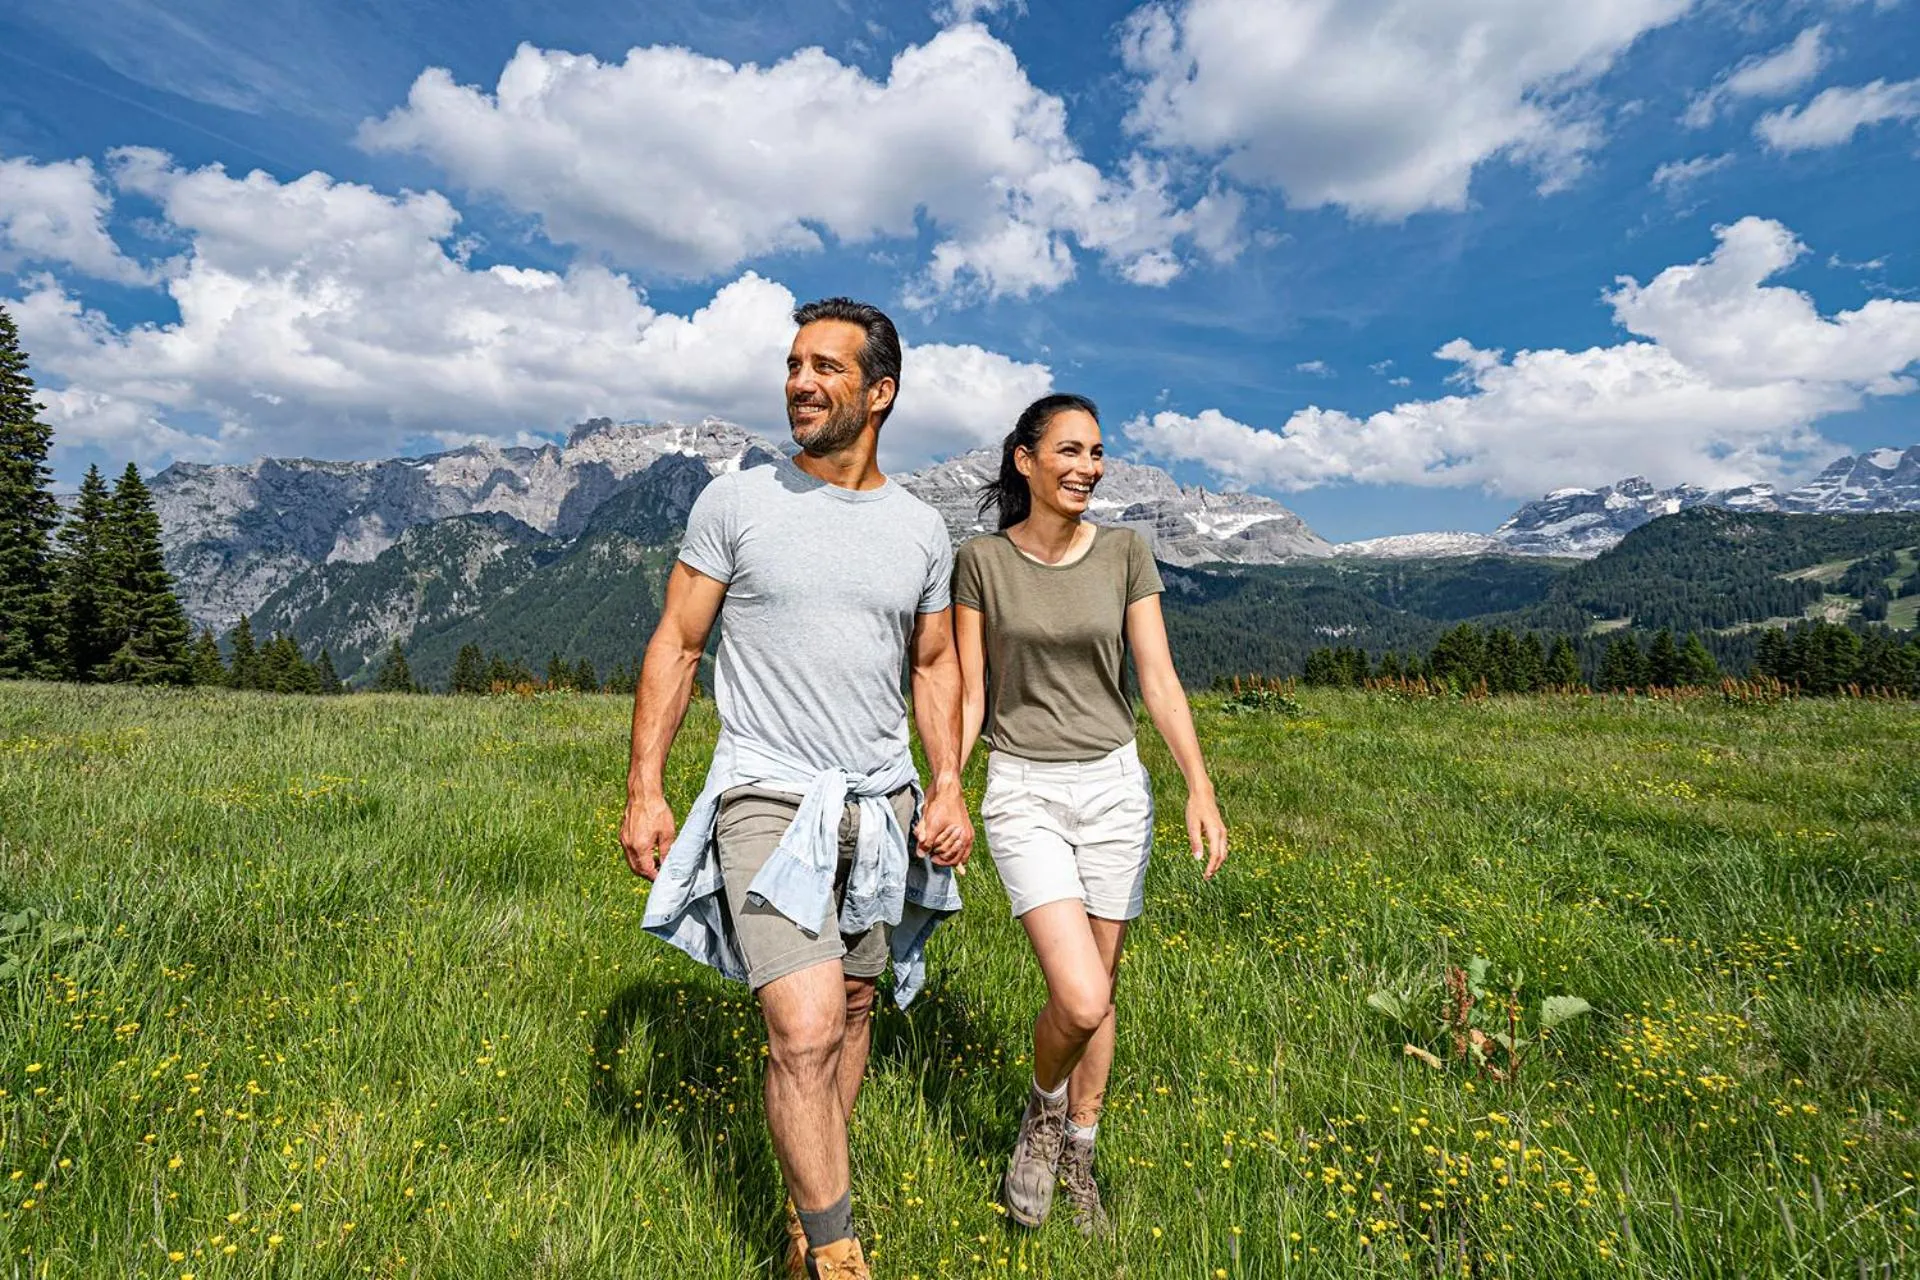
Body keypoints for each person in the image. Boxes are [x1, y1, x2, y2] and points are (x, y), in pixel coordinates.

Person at [622, 297, 974, 1280]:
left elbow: (936, 664)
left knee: (855, 1006)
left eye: (825, 366)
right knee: (806, 1023)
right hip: (766, 795)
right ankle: (835, 1254)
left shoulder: (918, 529)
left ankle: (810, 1193)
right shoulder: (737, 502)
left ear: (881, 392)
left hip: (883, 800)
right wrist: (646, 784)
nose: (801, 383)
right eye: (793, 364)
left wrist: (947, 782)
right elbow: (678, 643)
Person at [953, 393, 1227, 1236]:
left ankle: (1080, 1154)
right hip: (1023, 789)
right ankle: (1042, 1114)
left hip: (1114, 788)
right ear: (1025, 460)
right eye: (1070, 451)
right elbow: (968, 692)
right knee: (1075, 998)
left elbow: (1160, 678)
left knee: (1100, 995)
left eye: (1098, 452)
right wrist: (943, 785)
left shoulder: (1125, 553)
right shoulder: (982, 563)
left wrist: (1199, 785)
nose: (1088, 468)